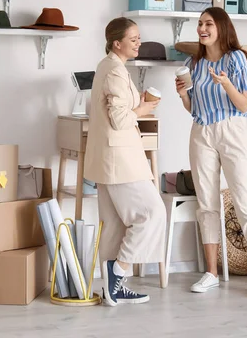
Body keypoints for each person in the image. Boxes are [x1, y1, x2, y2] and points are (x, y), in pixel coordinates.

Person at [175, 7, 247, 300]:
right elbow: (195, 108)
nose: (201, 29)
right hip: (201, 131)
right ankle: (211, 273)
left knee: (245, 202)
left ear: (221, 27)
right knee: (207, 203)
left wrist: (227, 83)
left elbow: (244, 104)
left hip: (232, 130)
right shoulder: (193, 63)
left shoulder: (237, 59)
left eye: (207, 23)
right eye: (199, 24)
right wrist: (183, 94)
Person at [84, 17, 167, 307]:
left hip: (109, 159)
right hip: (120, 159)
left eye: (139, 38)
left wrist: (137, 104)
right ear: (117, 43)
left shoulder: (108, 66)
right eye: (133, 39)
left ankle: (112, 289)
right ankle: (118, 271)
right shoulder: (116, 72)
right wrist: (142, 109)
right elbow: (120, 120)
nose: (139, 43)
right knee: (153, 212)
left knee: (116, 225)